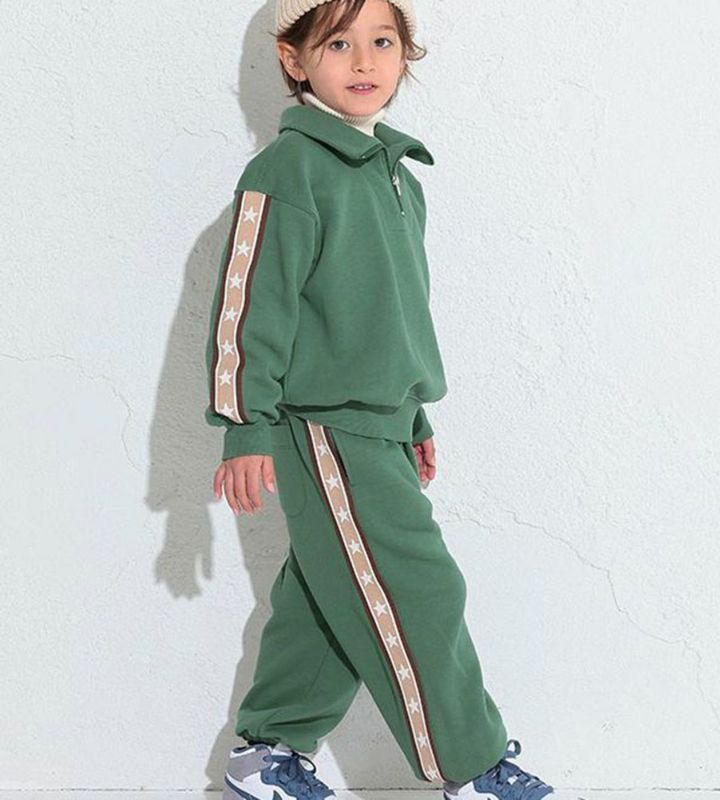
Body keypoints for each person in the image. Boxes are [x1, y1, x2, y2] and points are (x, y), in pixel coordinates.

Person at [206, 1, 586, 799]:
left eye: (383, 41)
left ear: (406, 54)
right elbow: (249, 307)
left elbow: (393, 314)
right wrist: (244, 428)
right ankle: (473, 769)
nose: (364, 60)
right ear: (295, 60)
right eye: (338, 43)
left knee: (330, 590)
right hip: (323, 425)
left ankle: (266, 755)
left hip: (379, 424)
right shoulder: (288, 171)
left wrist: (413, 412)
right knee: (420, 587)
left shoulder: (396, 176)